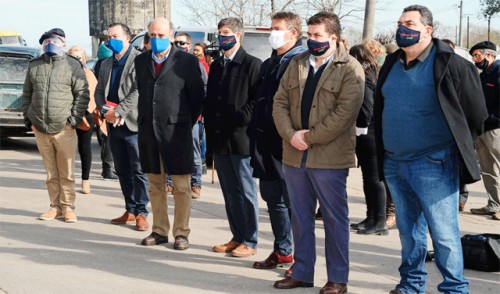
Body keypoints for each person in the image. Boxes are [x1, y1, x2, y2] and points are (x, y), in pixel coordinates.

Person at [373, 5, 488, 294]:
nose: (402, 28)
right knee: (409, 231)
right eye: (400, 23)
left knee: (443, 232)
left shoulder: (452, 63)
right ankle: (410, 284)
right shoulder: (391, 62)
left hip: (434, 162)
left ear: (428, 29)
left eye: (409, 23)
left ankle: (454, 288)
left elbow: (476, 115)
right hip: (395, 162)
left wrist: (448, 145)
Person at [272, 11, 364, 294]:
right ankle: (301, 272)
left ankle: (337, 278)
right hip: (294, 154)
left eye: (317, 36)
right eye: (309, 35)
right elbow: (280, 102)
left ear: (333, 38)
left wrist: (309, 138)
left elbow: (344, 115)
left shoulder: (350, 68)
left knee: (335, 220)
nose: (311, 40)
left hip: (329, 158)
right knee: (299, 217)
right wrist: (291, 135)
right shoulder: (297, 63)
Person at [135, 17, 204, 250]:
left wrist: (183, 123)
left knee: (182, 187)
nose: (157, 40)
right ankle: (159, 230)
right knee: (155, 185)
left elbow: (197, 99)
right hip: (149, 132)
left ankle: (181, 233)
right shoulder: (141, 61)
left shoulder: (186, 61)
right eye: (153, 35)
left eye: (161, 35)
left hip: (177, 133)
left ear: (171, 36)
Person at [249, 11, 306, 272]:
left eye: (277, 28)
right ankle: (283, 250)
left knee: (295, 202)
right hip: (265, 143)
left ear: (293, 32)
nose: (272, 33)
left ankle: (303, 260)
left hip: (287, 144)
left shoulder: (300, 62)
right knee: (273, 199)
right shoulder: (271, 62)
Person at [204, 17, 262, 258]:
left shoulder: (251, 64)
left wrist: (240, 118)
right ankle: (237, 235)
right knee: (229, 192)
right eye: (219, 32)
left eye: (226, 32)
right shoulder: (217, 65)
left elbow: (257, 101)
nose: (221, 36)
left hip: (241, 139)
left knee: (246, 191)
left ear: (238, 35)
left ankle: (250, 239)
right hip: (220, 139)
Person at [22, 28, 89, 223]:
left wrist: (72, 121)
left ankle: (68, 207)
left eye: (55, 40)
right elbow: (27, 94)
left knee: (66, 171)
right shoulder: (34, 65)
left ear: (64, 44)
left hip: (64, 129)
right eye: (47, 41)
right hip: (41, 128)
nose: (51, 44)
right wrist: (29, 120)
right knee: (51, 172)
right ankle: (55, 206)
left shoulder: (72, 65)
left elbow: (82, 95)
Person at [95, 23, 149, 231]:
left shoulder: (139, 60)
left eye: (115, 36)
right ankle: (130, 208)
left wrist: (118, 111)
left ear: (128, 37)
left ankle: (142, 212)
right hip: (113, 125)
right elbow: (100, 90)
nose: (111, 40)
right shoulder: (107, 63)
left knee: (138, 170)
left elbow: (138, 91)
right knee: (122, 169)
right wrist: (103, 110)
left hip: (132, 123)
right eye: (109, 37)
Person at [348, 44, 388, 235]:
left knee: (373, 178)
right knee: (368, 177)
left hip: (368, 132)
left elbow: (367, 106)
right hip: (369, 131)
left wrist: (360, 127)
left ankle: (379, 220)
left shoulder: (364, 75)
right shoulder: (372, 72)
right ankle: (371, 216)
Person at [469, 41, 500, 221]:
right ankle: (494, 204)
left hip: (495, 129)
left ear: (489, 55)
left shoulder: (498, 72)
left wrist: (492, 120)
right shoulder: (484, 75)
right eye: (473, 56)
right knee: (488, 169)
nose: (475, 60)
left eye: (477, 56)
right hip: (482, 129)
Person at [174, 32, 206, 199]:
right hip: (171, 117)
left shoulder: (196, 65)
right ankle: (170, 183)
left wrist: (196, 112)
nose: (179, 46)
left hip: (191, 117)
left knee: (193, 150)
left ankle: (196, 184)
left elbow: (204, 89)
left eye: (182, 43)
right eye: (176, 42)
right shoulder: (168, 63)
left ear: (189, 45)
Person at [67, 45, 97, 194]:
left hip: (86, 114)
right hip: (67, 115)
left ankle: (85, 180)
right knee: (67, 149)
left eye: (79, 57)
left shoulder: (88, 74)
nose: (76, 60)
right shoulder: (64, 73)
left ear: (84, 58)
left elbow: (91, 95)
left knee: (85, 148)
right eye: (73, 56)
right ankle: (68, 180)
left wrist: (83, 112)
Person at [94, 43, 118, 180]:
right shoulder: (107, 63)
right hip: (110, 105)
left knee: (106, 137)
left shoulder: (100, 62)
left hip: (104, 104)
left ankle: (107, 168)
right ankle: (108, 169)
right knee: (110, 137)